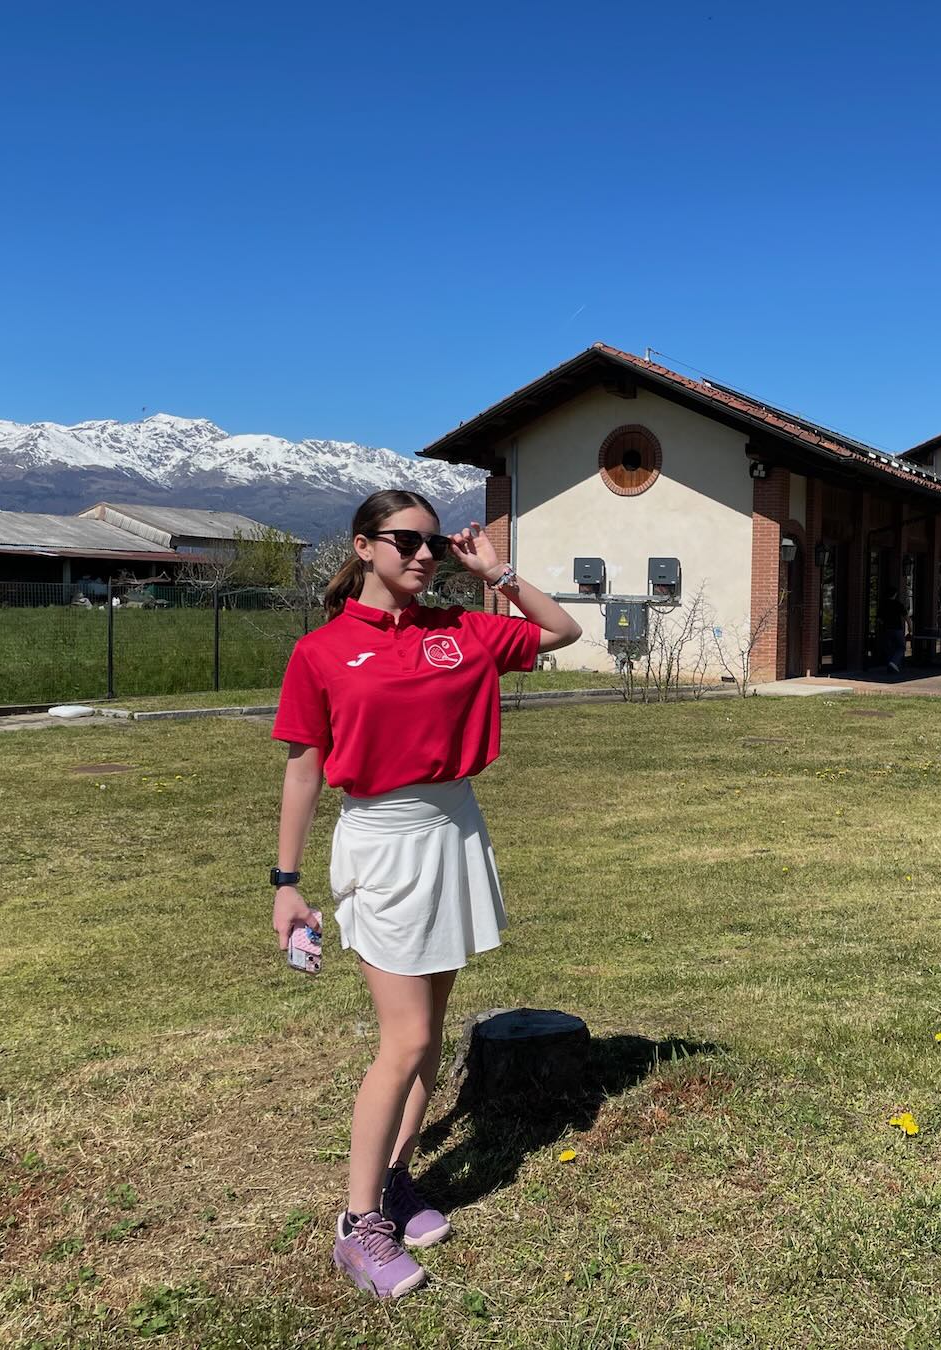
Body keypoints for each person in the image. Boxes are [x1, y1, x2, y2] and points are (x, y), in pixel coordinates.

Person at [269, 489, 581, 1300]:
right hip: (382, 841)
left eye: (433, 544)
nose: (421, 555)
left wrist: (499, 573)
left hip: (455, 830)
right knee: (403, 1040)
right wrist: (286, 883)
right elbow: (303, 768)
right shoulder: (323, 652)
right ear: (364, 546)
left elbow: (562, 631)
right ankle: (357, 1223)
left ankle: (399, 1179)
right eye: (404, 541)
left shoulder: (461, 630)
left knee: (431, 1029)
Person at [882, 586, 907, 674]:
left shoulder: (883, 605)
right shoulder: (898, 605)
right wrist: (911, 629)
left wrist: (884, 623)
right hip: (897, 629)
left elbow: (878, 619)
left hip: (886, 629)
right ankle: (894, 663)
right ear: (895, 594)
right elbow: (907, 617)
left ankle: (891, 667)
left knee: (890, 648)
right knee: (901, 647)